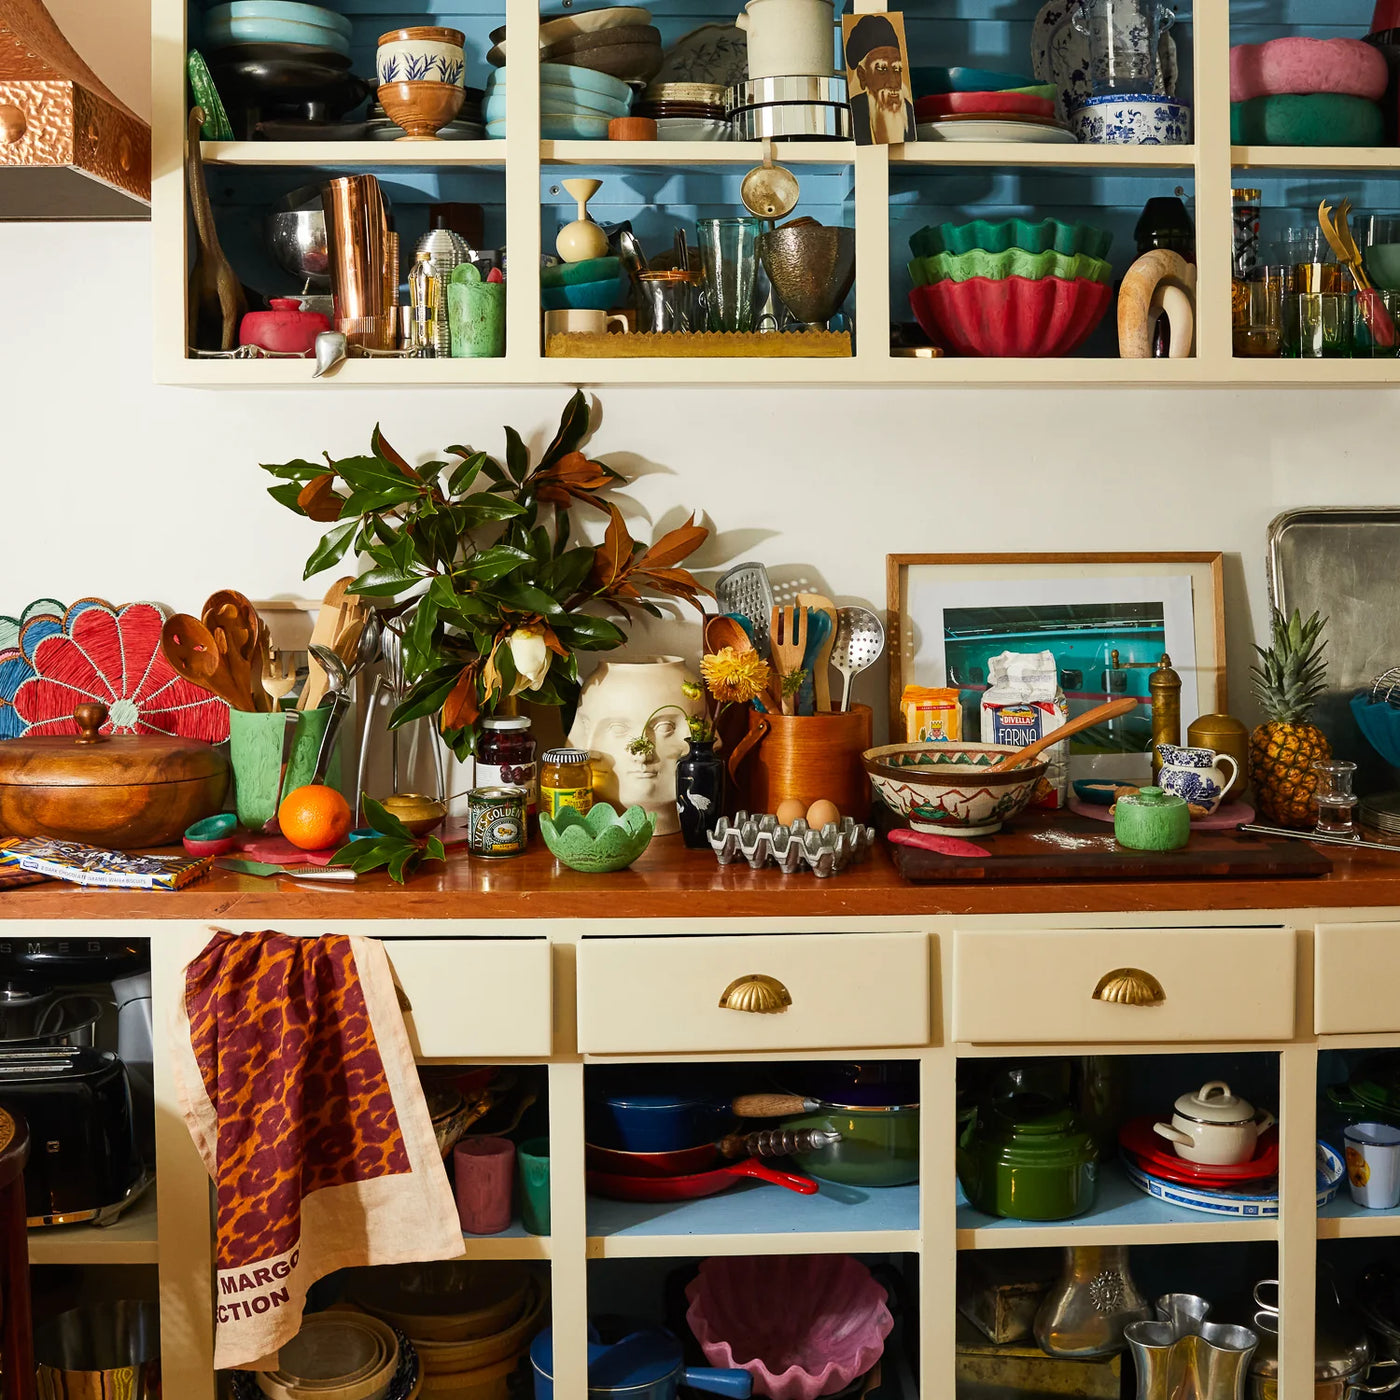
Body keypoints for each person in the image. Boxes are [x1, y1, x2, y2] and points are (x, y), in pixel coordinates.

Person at [845, 14, 914, 145]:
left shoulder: (908, 110)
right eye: (882, 69)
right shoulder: (853, 113)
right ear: (862, 75)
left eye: (897, 69)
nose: (893, 83)